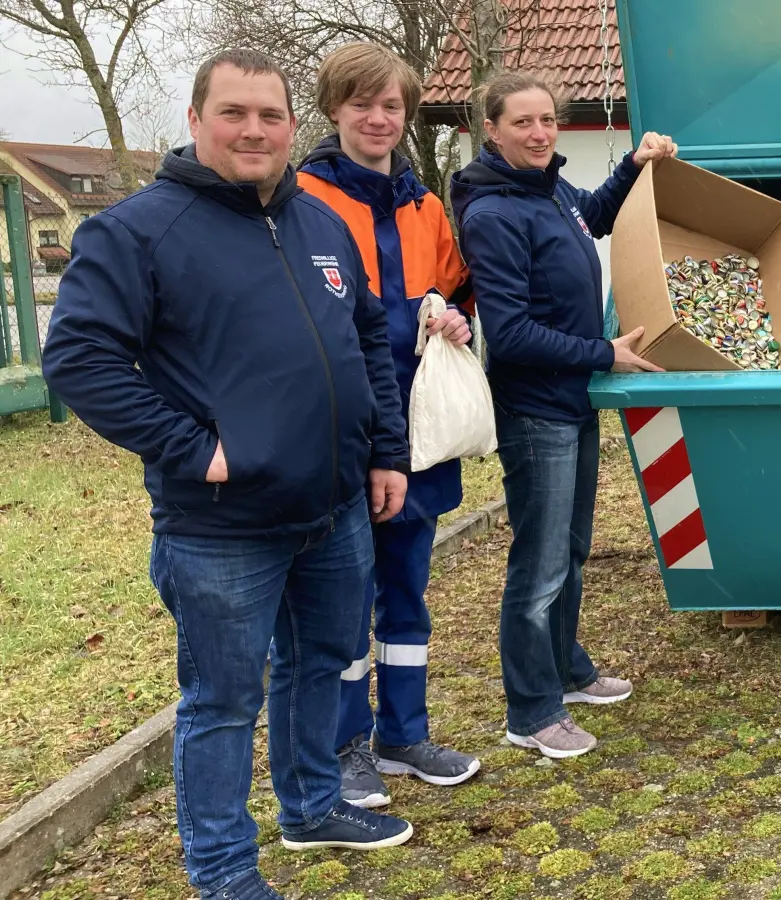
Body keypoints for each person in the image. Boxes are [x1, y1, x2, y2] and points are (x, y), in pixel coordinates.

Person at [41, 49, 414, 900]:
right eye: (234, 113)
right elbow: (79, 359)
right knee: (222, 700)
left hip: (334, 508)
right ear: (196, 121)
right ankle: (222, 872)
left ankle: (313, 806)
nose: (254, 130)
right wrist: (196, 449)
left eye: (270, 115)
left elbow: (366, 345)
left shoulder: (323, 224)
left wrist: (385, 451)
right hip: (220, 526)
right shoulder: (137, 231)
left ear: (292, 125)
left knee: (321, 661)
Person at [450, 71, 671, 760]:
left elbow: (596, 215)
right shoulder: (492, 213)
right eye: (523, 123)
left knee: (570, 551)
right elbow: (509, 334)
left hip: (570, 401)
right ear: (491, 129)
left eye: (547, 119)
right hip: (535, 409)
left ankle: (567, 670)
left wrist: (633, 166)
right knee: (539, 564)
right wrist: (603, 352)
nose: (541, 133)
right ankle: (531, 710)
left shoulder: (550, 192)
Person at [297, 42, 481, 810]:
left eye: (391, 107)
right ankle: (341, 749)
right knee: (343, 598)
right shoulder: (298, 198)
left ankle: (402, 735)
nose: (377, 119)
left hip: (421, 434)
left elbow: (458, 290)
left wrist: (457, 323)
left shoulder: (425, 204)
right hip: (341, 433)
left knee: (407, 590)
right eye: (361, 104)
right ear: (334, 109)